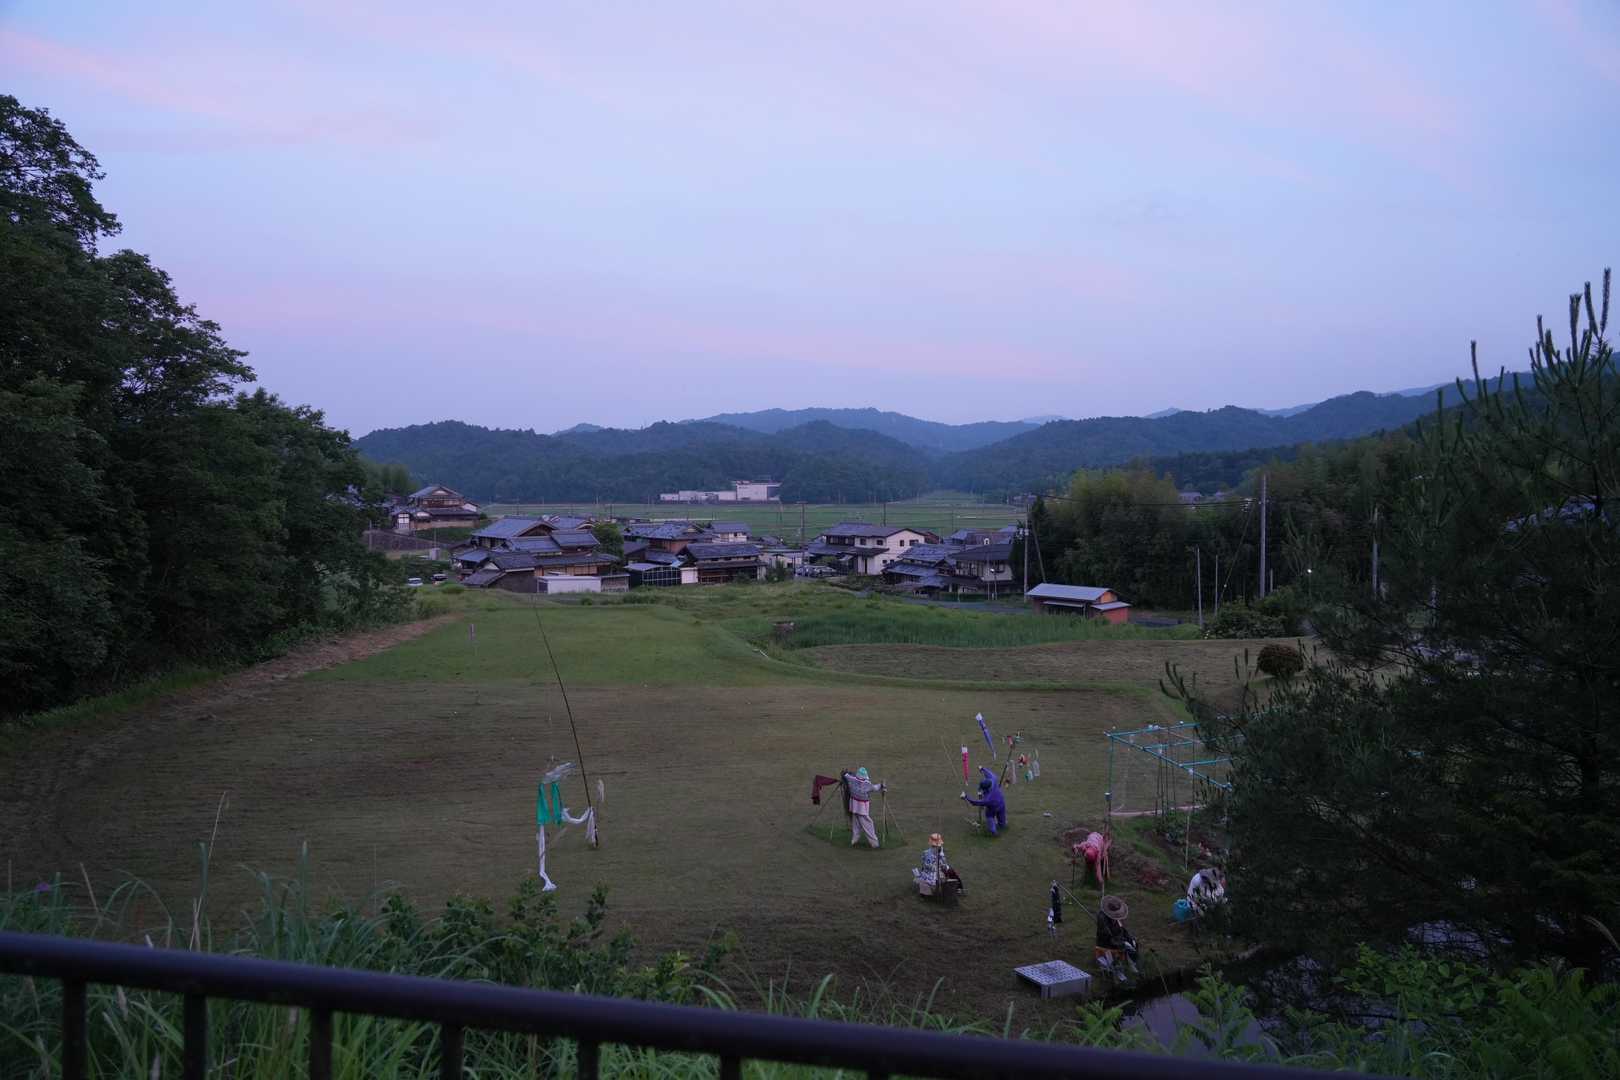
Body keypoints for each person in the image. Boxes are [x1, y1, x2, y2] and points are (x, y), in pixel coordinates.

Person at [535, 762, 593, 892]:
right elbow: (576, 821)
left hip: (552, 810)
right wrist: (588, 813)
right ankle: (565, 768)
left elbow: (576, 820)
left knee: (551, 778)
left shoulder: (558, 813)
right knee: (552, 778)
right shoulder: (559, 813)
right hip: (552, 809)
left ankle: (565, 768)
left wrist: (588, 813)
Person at [1094, 894, 1139, 982]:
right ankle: (1122, 968)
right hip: (1106, 942)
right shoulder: (1102, 919)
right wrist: (1121, 943)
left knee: (1133, 943)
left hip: (1117, 938)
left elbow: (1123, 930)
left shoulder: (1117, 918)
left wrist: (1130, 939)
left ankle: (1132, 964)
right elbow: (1107, 936)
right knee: (1125, 947)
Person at [842, 766, 885, 848]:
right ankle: (874, 843)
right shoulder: (867, 784)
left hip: (854, 806)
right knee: (868, 824)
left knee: (856, 824)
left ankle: (854, 840)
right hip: (862, 808)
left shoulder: (851, 779)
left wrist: (845, 772)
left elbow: (845, 775)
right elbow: (875, 788)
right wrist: (881, 785)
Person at [962, 766, 1007, 836]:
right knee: (1002, 819)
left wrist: (966, 797)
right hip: (1001, 804)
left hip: (992, 808)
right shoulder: (993, 779)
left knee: (989, 816)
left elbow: (975, 802)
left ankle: (993, 831)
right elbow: (989, 773)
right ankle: (1002, 825)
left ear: (986, 789)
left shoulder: (987, 799)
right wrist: (982, 769)